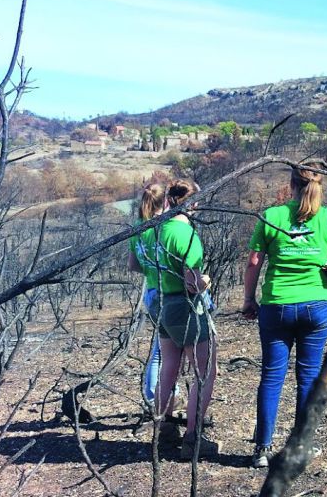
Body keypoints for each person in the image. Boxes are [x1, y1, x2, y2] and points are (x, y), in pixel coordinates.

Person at [242, 164, 327, 468]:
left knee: (272, 376)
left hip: (277, 305)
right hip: (317, 305)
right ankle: (300, 445)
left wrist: (249, 299)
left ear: (291, 186)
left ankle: (261, 449)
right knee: (309, 375)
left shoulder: (272, 216)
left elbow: (253, 262)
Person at [145, 179, 218, 460]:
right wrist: (205, 281)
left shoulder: (152, 230)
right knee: (204, 371)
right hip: (185, 307)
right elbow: (191, 283)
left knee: (168, 368)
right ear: (191, 204)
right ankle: (192, 438)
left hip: (160, 303)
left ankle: (162, 429)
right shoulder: (184, 234)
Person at [127, 182, 180, 423]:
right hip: (170, 292)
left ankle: (158, 396)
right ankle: (162, 398)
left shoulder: (138, 227)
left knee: (161, 350)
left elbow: (133, 264)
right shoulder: (167, 227)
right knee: (168, 352)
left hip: (151, 292)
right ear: (166, 201)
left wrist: (151, 270)